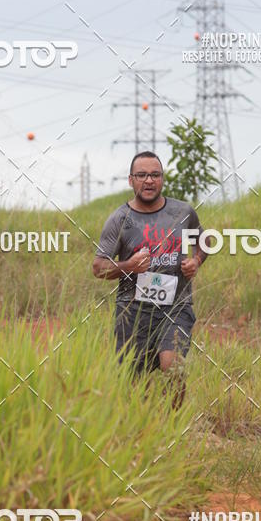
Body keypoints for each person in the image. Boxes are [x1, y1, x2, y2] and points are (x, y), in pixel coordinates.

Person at [92, 151, 208, 408]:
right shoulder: (120, 219)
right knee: (132, 385)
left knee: (172, 366)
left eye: (155, 175)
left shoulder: (183, 212)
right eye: (142, 175)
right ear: (131, 180)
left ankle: (172, 426)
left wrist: (196, 261)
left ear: (163, 179)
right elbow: (98, 267)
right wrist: (128, 266)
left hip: (176, 308)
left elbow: (205, 241)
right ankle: (143, 430)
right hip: (132, 312)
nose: (149, 180)